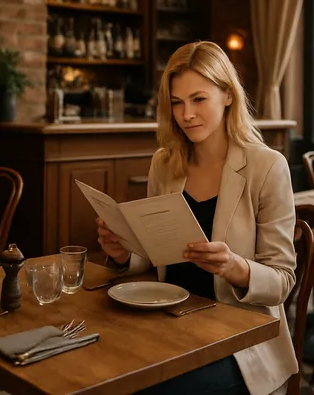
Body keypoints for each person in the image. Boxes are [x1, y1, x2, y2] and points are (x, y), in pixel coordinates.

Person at [96, 41, 298, 395]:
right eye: (177, 102)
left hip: (236, 339)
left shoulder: (267, 167)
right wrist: (124, 253)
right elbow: (156, 255)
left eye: (198, 99)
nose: (186, 114)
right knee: (97, 370)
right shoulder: (164, 162)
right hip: (164, 322)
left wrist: (234, 267)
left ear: (228, 96)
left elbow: (282, 279)